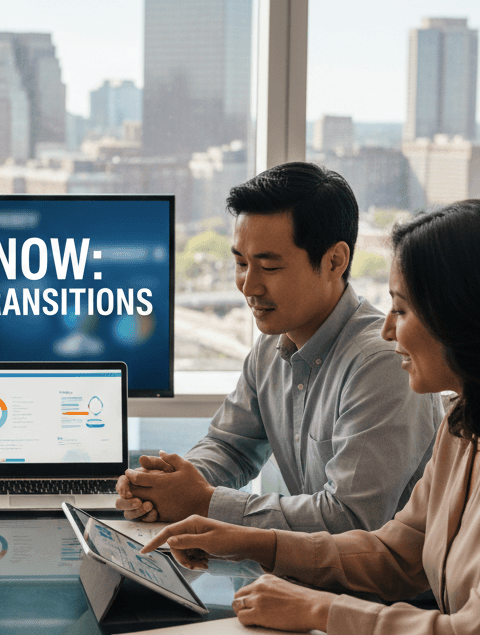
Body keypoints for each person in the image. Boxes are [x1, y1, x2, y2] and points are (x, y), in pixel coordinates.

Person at [142, 199, 480, 635]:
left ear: (467, 317)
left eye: (402, 310)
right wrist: (250, 542)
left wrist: (317, 610)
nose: (388, 329)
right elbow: (395, 555)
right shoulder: (466, 421)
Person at [118, 162, 443, 532]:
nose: (248, 286)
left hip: (376, 588)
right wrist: (170, 484)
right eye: (240, 263)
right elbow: (231, 446)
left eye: (269, 268)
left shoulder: (381, 363)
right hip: (309, 574)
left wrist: (204, 501)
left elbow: (350, 520)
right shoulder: (271, 346)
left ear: (335, 261)